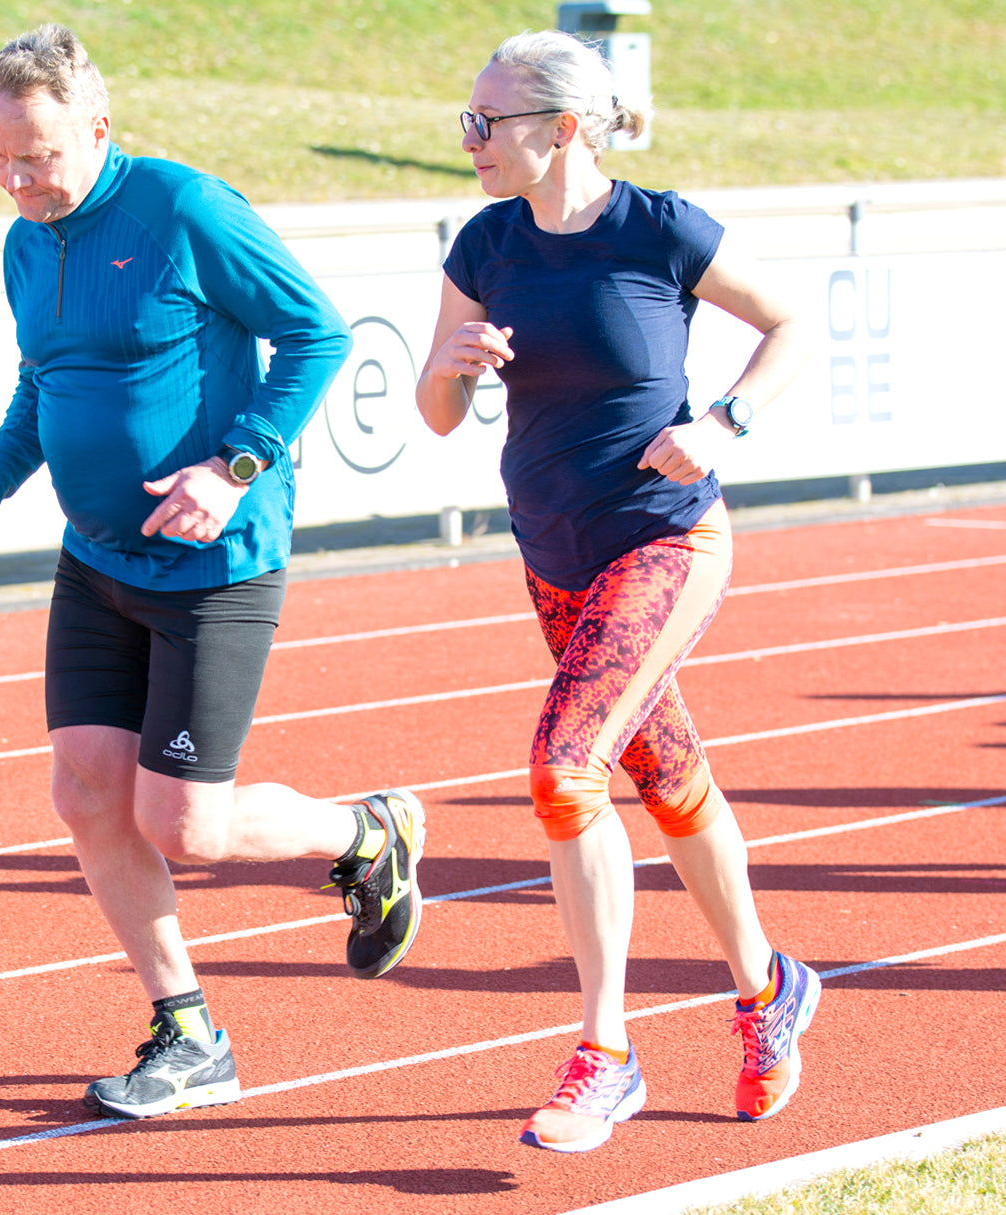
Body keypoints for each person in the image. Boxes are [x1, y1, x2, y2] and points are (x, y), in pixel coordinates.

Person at [0, 23, 424, 1121]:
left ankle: (366, 833)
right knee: (83, 792)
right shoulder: (27, 240)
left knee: (188, 829)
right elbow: (47, 380)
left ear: (98, 130)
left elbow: (315, 334)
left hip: (213, 570)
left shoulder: (184, 210)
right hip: (95, 560)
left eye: (40, 158)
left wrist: (236, 465)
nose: (18, 181)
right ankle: (189, 1031)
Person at [416, 31, 819, 1154]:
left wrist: (721, 423)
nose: (470, 141)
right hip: (554, 556)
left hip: (665, 541)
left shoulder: (659, 227)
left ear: (564, 129)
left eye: (486, 123)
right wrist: (452, 368)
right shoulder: (487, 242)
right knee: (670, 773)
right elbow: (435, 412)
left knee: (564, 768)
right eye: (468, 119)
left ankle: (607, 1053)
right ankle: (768, 985)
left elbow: (792, 324)